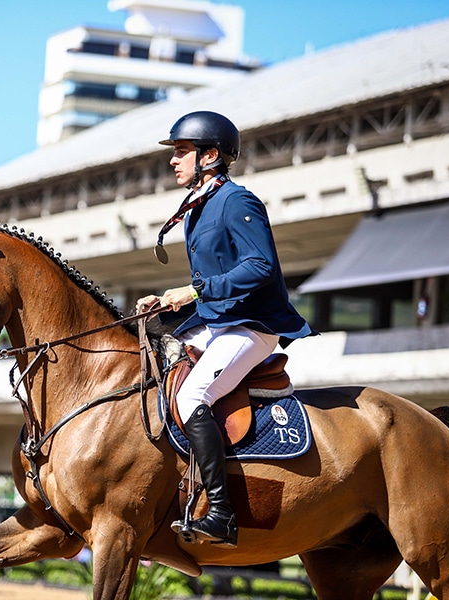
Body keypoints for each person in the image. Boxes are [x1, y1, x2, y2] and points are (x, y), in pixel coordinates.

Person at [137, 111, 315, 548]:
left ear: (210, 155)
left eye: (181, 152)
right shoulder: (198, 205)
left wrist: (194, 290)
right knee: (157, 362)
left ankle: (220, 511)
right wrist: (168, 302)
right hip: (218, 322)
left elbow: (260, 267)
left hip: (252, 326)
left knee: (193, 394)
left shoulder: (238, 201)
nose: (173, 161)